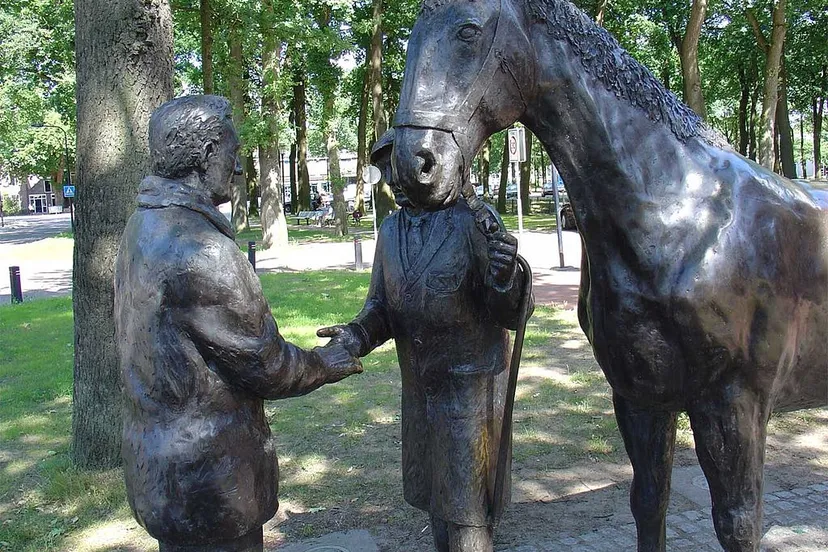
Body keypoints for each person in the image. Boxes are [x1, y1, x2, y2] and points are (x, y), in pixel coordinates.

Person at [114, 95, 362, 552]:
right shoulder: (204, 250)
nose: (240, 167)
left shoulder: (141, 228)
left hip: (159, 469)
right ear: (207, 155)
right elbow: (268, 365)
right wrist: (328, 361)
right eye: (232, 151)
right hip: (212, 479)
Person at [319, 130, 533, 552]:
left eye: (397, 169)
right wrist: (357, 335)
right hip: (421, 393)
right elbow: (381, 307)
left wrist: (507, 278)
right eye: (385, 171)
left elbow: (513, 313)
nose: (393, 180)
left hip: (470, 395)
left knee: (468, 518)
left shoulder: (473, 222)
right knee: (437, 503)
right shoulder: (391, 230)